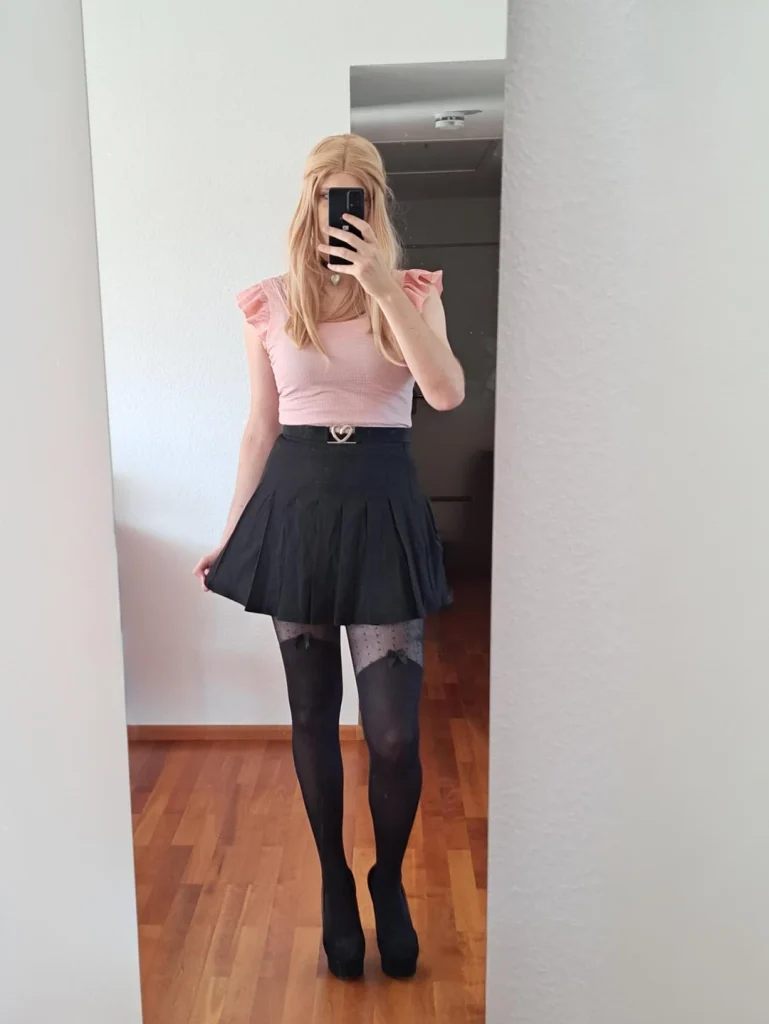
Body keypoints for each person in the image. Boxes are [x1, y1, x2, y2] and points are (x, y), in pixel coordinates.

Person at [193, 134, 464, 981]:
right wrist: (232, 533)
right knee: (311, 715)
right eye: (326, 197)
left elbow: (444, 392)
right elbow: (259, 428)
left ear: (375, 207)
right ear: (307, 204)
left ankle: (387, 878)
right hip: (297, 509)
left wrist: (382, 286)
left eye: (357, 199)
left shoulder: (412, 292)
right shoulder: (270, 303)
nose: (339, 213)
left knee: (392, 734)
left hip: (383, 507)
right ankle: (334, 881)